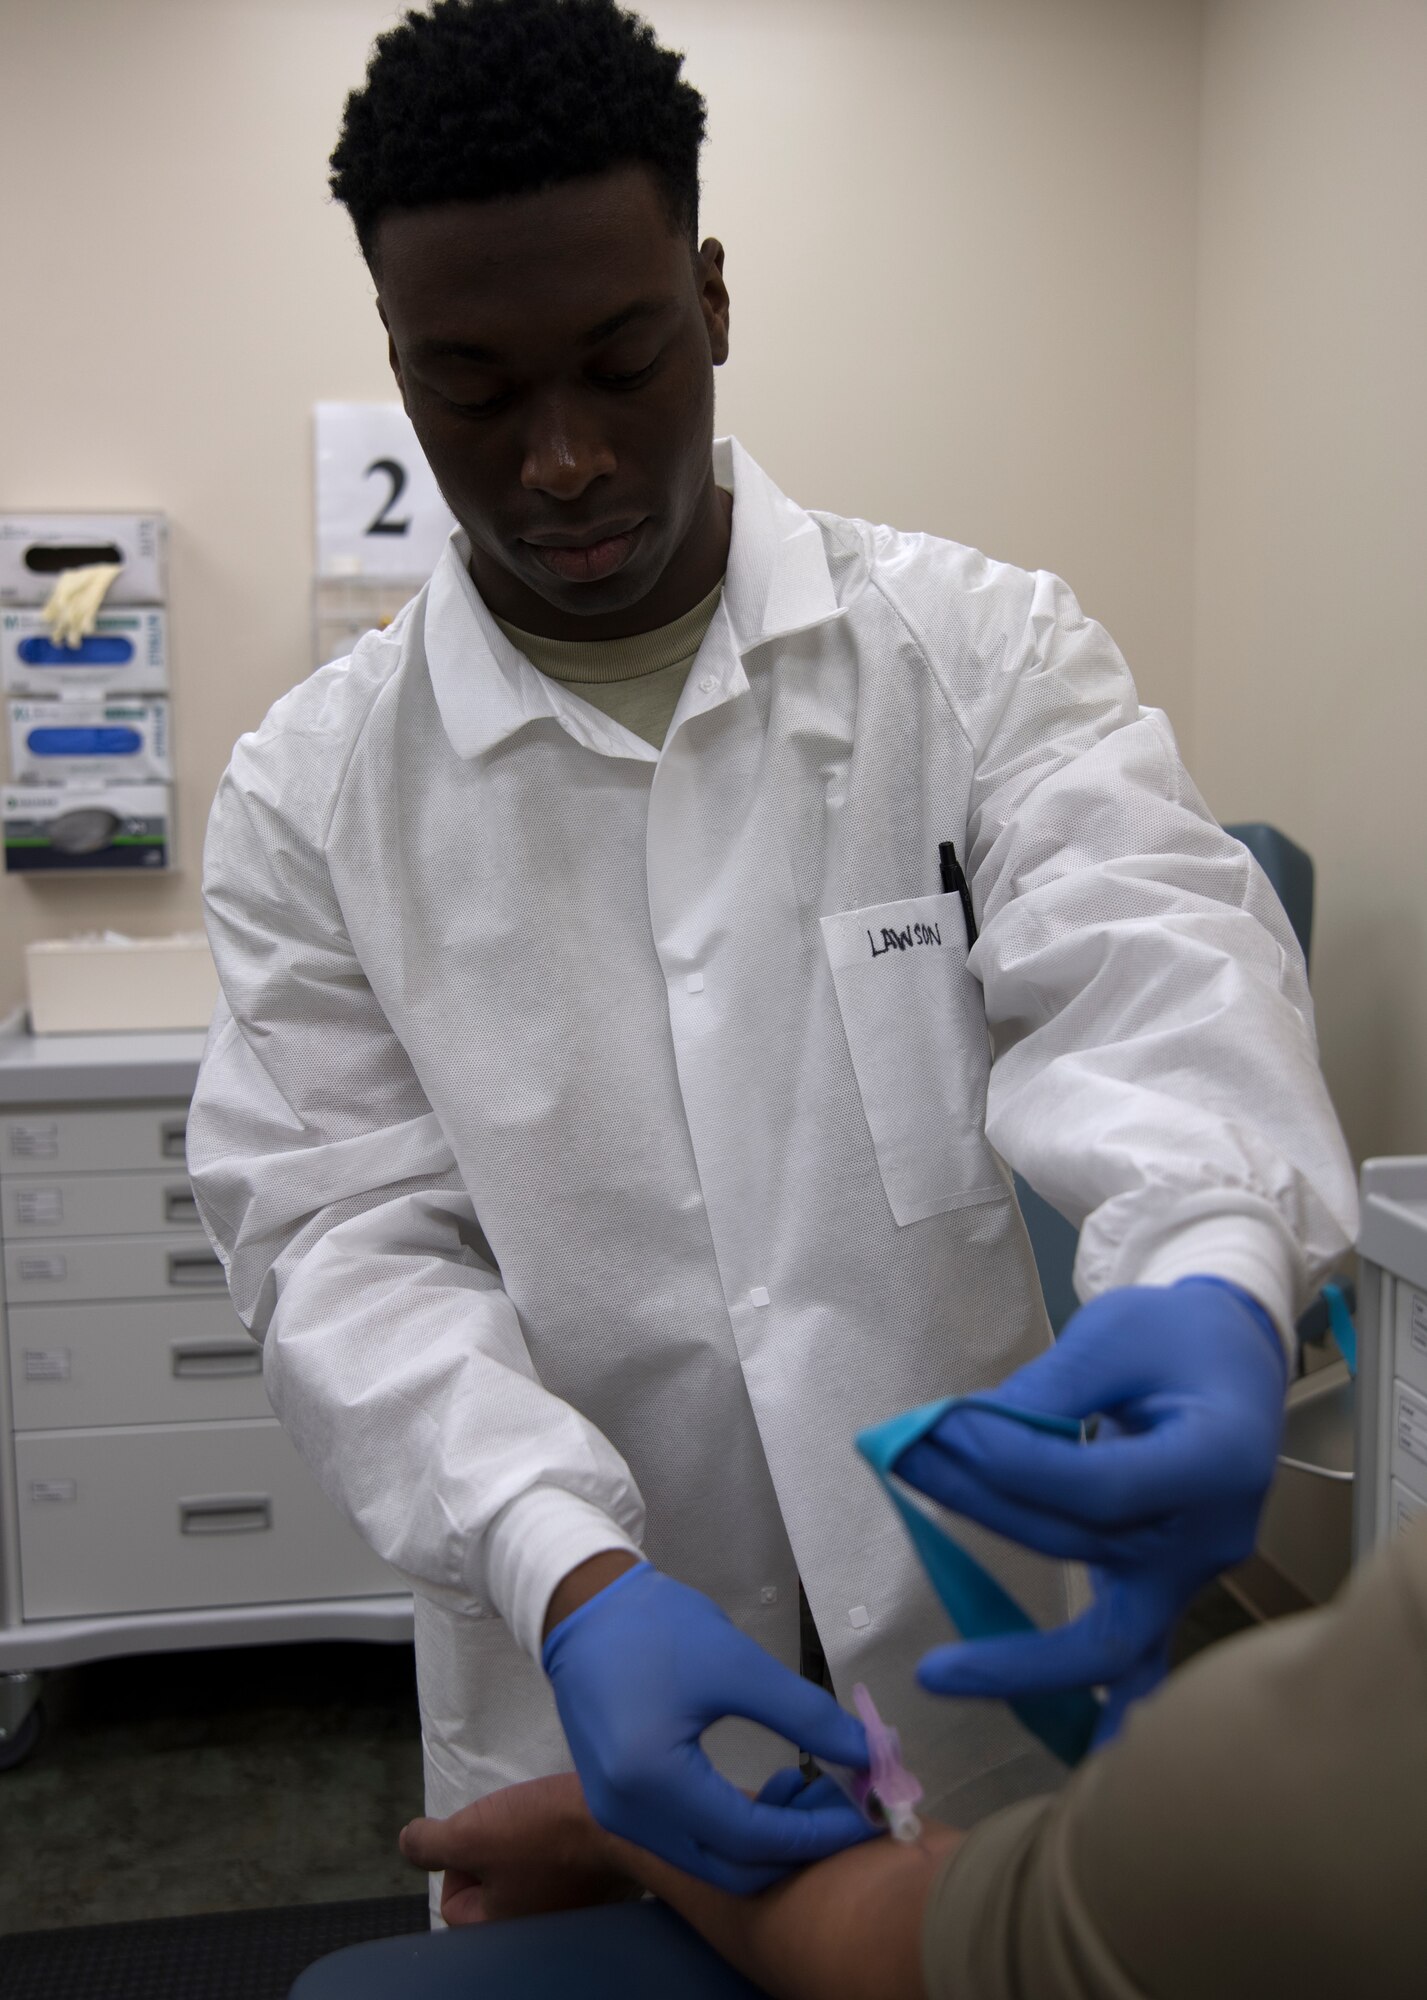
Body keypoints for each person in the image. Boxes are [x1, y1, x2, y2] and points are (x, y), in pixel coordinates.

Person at [187, 0, 1356, 1903]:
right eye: (471, 389)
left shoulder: (978, 653)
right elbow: (342, 1239)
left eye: (620, 360)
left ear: (712, 302)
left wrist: (1220, 1275)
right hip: (593, 1684)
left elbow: (1153, 965)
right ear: (396, 369)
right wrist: (559, 1563)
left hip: (974, 1635)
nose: (559, 460)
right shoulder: (314, 793)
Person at [389, 1512, 1427, 2000]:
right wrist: (541, 1542)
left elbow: (941, 1943)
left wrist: (600, 1823)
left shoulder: (1289, 1798)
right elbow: (330, 1212)